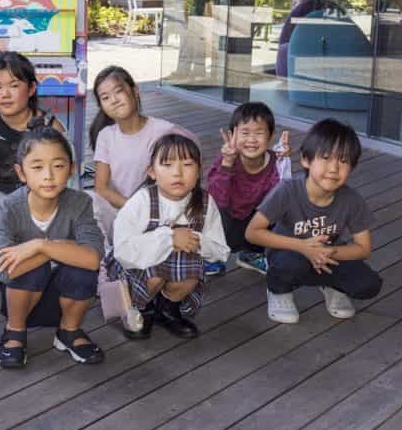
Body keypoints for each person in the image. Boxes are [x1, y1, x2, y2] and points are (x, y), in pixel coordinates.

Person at [246, 119, 381, 325]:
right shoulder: (288, 190)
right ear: (306, 160)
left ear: (352, 167)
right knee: (290, 264)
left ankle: (333, 286)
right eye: (325, 158)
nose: (334, 168)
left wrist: (327, 252)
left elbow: (364, 249)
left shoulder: (351, 199)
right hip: (290, 254)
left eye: (343, 160)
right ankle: (278, 290)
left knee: (368, 284)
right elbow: (253, 232)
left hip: (328, 256)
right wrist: (303, 247)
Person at [0, 128, 105, 368]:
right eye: (37, 167)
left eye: (58, 166)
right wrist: (66, 249)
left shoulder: (80, 203)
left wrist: (40, 246)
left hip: (63, 302)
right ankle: (14, 331)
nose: (49, 176)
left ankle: (68, 331)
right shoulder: (7, 207)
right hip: (17, 301)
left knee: (82, 269)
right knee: (31, 266)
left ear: (71, 169)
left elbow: (93, 259)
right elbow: (5, 270)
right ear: (21, 173)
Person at [111, 133, 229, 340]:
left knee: (192, 270)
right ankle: (142, 308)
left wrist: (195, 241)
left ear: (199, 170)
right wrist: (169, 238)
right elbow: (122, 250)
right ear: (152, 172)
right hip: (137, 267)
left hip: (178, 268)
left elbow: (221, 251)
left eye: (187, 164)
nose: (177, 173)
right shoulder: (142, 201)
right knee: (156, 275)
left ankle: (168, 309)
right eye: (167, 165)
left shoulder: (205, 202)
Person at [0, 51, 69, 241]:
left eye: (14, 85)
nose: (5, 94)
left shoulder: (50, 126)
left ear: (31, 88)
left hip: (41, 199)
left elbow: (66, 178)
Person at [89, 66, 196, 242]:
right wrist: (133, 209)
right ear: (101, 106)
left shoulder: (164, 130)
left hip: (159, 214)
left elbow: (194, 155)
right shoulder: (106, 136)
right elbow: (101, 188)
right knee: (90, 200)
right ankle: (108, 254)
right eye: (105, 97)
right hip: (122, 210)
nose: (114, 100)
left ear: (135, 91)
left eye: (118, 91)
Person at [206, 102, 292, 276]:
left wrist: (283, 162)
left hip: (254, 220)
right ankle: (211, 256)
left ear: (270, 136)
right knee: (213, 211)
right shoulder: (226, 160)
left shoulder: (276, 163)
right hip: (228, 218)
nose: (252, 139)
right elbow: (216, 196)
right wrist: (227, 163)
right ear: (232, 135)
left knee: (278, 212)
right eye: (245, 133)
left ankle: (251, 254)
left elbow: (283, 196)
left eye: (259, 133)